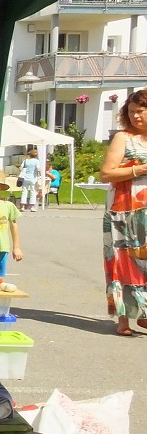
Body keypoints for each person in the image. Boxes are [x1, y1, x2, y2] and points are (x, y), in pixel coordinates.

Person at [99, 89, 147, 336]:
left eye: (140, 111)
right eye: (131, 112)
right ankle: (123, 319)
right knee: (123, 262)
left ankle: (145, 314)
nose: (135, 116)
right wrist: (140, 169)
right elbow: (106, 173)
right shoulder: (123, 138)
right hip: (124, 210)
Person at [0, 174, 23, 277]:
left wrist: (16, 247)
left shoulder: (8, 206)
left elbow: (13, 226)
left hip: (2, 247)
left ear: (2, 187)